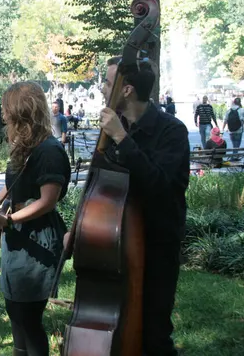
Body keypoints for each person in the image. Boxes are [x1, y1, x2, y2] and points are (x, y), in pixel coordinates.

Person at [68, 56, 190, 355]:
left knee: (153, 334)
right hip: (115, 246)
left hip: (156, 247)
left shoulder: (171, 131)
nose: (103, 88)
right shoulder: (116, 128)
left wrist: (121, 138)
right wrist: (76, 229)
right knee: (115, 326)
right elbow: (98, 186)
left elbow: (161, 186)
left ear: (126, 90)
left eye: (108, 83)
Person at [0, 82, 70, 356]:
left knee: (28, 317)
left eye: (7, 109)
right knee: (15, 312)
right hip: (17, 238)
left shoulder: (50, 150)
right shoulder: (25, 147)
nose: (3, 115)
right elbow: (12, 184)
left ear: (22, 111)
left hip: (38, 240)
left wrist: (10, 219)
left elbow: (48, 200)